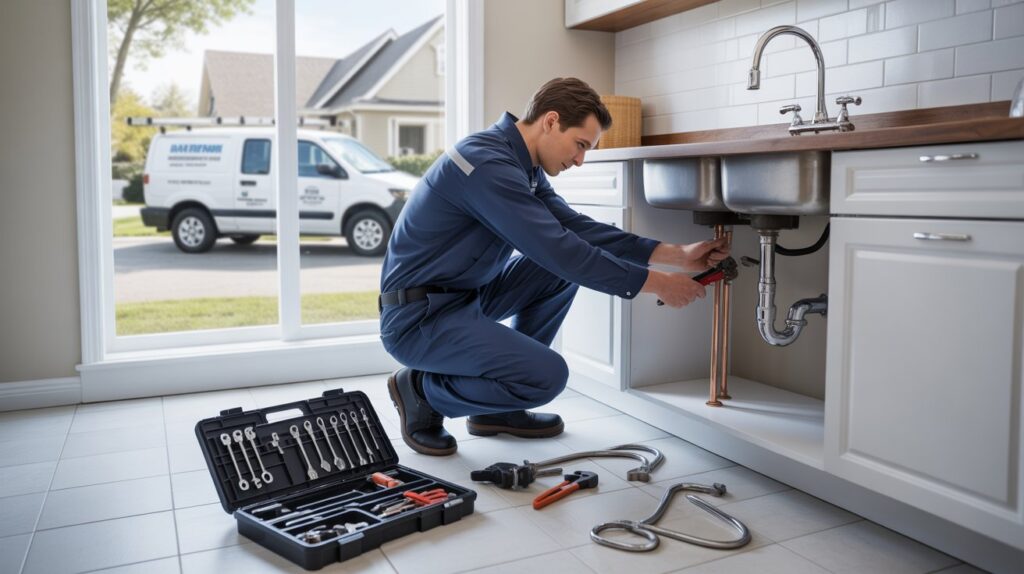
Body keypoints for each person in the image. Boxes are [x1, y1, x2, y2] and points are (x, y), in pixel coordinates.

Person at [379, 77, 729, 456]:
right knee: (548, 376)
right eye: (580, 145)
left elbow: (575, 228)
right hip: (419, 319)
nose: (580, 160)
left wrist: (676, 253)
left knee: (554, 271)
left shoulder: (521, 166)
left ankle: (500, 410)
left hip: (465, 298)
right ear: (550, 121)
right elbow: (562, 250)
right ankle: (421, 393)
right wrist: (658, 283)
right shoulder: (487, 164)